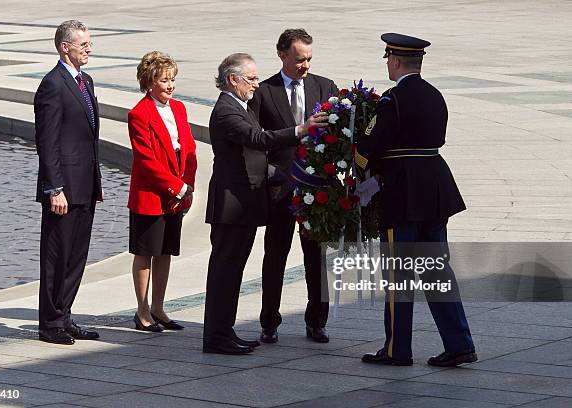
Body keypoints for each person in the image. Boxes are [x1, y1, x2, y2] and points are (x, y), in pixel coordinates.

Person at [355, 33, 477, 367]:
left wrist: (358, 164)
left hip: (402, 192)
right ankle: (460, 344)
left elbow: (370, 147)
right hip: (436, 189)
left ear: (394, 61)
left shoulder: (393, 99)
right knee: (437, 270)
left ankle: (397, 349)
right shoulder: (436, 96)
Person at [203, 53, 328, 355]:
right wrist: (300, 130)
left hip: (243, 204)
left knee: (232, 273)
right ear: (232, 80)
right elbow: (257, 139)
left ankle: (225, 332)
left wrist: (279, 175)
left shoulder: (239, 105)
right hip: (231, 206)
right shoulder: (226, 110)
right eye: (251, 79)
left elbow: (252, 156)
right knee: (224, 272)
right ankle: (217, 336)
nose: (257, 85)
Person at [249, 28, 338, 344]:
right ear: (282, 54)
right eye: (300, 59)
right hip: (279, 189)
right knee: (275, 255)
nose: (305, 66)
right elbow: (255, 139)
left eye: (309, 59)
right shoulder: (264, 91)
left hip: (317, 187)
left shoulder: (324, 87)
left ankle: (317, 321)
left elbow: (337, 134)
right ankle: (269, 322)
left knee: (316, 257)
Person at [35, 20, 101, 345]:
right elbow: (47, 143)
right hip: (63, 189)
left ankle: (65, 316)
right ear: (65, 47)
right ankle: (50, 324)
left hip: (86, 185)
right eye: (84, 44)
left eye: (89, 43)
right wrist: (54, 188)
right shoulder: (52, 84)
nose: (89, 48)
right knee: (56, 257)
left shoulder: (84, 81)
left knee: (77, 256)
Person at [127, 51, 197, 332]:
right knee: (146, 252)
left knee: (165, 251)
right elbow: (146, 160)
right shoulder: (139, 114)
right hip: (151, 195)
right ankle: (142, 310)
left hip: (176, 193)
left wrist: (187, 185)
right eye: (164, 80)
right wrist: (176, 186)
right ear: (149, 82)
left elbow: (189, 147)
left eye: (172, 80)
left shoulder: (179, 108)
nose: (170, 85)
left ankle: (159, 307)